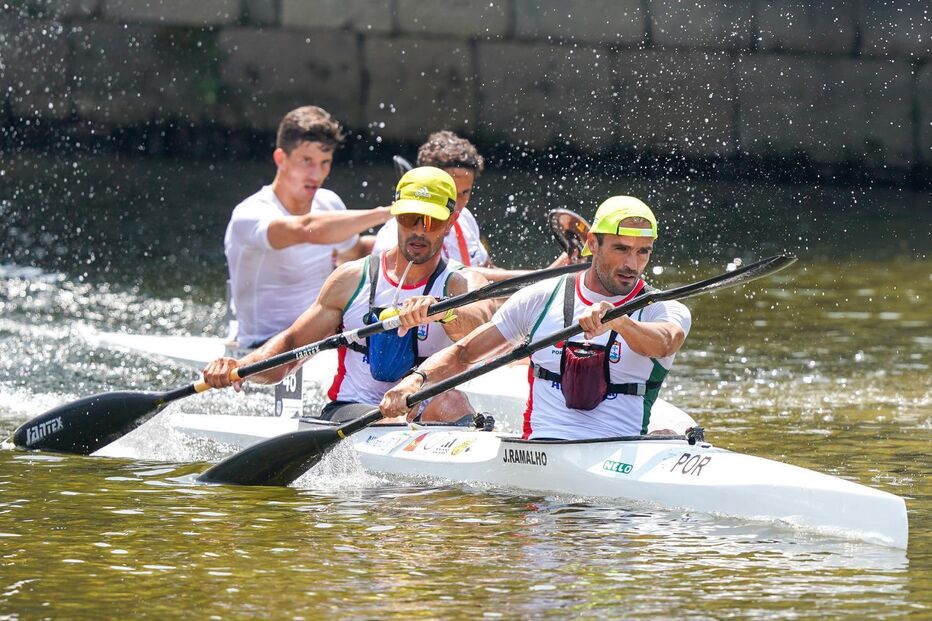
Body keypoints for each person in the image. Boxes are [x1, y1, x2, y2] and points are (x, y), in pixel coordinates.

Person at [380, 196, 692, 439]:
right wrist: (415, 381)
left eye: (643, 252)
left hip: (617, 455)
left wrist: (622, 322)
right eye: (621, 248)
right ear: (592, 244)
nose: (632, 263)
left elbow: (666, 342)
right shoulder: (543, 296)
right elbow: (465, 353)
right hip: (541, 455)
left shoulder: (660, 307)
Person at [203, 167, 490, 424]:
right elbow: (291, 347)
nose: (418, 231)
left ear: (451, 222)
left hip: (422, 408)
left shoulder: (461, 283)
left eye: (430, 222)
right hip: (353, 410)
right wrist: (240, 367)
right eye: (408, 217)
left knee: (452, 403)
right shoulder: (352, 279)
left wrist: (445, 311)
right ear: (395, 216)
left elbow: (483, 334)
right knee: (394, 417)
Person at [226, 105, 393, 347]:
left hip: (321, 341)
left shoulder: (329, 203)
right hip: (264, 348)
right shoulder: (251, 214)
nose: (317, 174)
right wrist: (388, 213)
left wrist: (415, 237)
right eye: (307, 161)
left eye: (325, 162)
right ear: (281, 159)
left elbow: (355, 252)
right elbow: (306, 229)